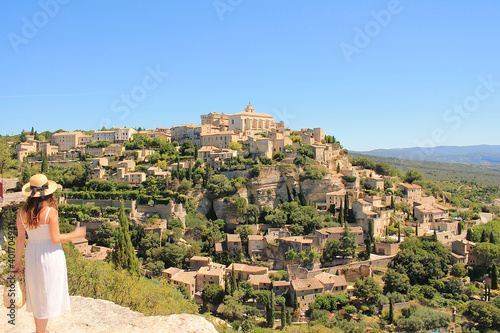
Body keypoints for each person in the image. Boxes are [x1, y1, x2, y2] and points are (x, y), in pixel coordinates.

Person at [13, 174, 86, 333]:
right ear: (48, 192)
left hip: (32, 253)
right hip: (50, 255)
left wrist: (17, 263)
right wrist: (76, 233)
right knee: (46, 292)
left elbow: (20, 239)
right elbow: (56, 238)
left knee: (37, 292)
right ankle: (40, 331)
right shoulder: (50, 212)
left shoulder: (21, 212)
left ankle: (40, 329)